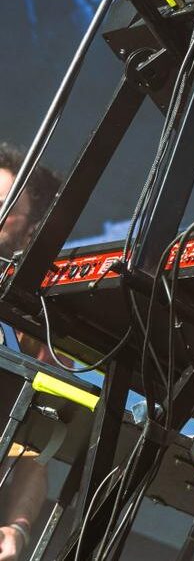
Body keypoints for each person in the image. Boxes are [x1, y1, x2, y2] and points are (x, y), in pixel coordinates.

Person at [0, 143, 63, 561]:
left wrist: (18, 528)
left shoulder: (41, 330)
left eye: (1, 205)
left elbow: (35, 454)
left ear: (30, 230)